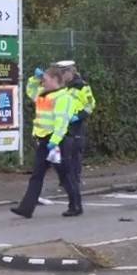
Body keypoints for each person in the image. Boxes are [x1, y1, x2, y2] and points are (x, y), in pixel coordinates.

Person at [11, 65, 81, 218]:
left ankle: (75, 205)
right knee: (37, 175)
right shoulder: (44, 94)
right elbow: (30, 90)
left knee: (65, 175)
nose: (43, 82)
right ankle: (26, 208)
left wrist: (55, 141)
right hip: (44, 140)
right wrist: (35, 78)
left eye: (46, 79)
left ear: (55, 80)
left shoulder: (63, 98)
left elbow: (61, 123)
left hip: (58, 141)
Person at [55, 60, 95, 192]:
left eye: (63, 73)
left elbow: (90, 105)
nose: (60, 75)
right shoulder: (61, 86)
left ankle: (75, 180)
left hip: (76, 124)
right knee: (61, 153)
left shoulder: (83, 86)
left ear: (70, 72)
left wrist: (79, 116)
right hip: (62, 124)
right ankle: (64, 181)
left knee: (75, 153)